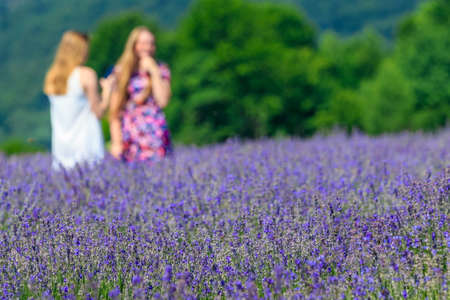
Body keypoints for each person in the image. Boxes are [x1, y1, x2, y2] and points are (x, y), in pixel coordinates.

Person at [44, 31, 113, 169]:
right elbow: (98, 112)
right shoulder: (86, 75)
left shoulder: (52, 77)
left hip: (61, 149)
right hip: (86, 145)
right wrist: (107, 91)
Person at [107, 26, 172, 163]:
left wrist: (154, 71)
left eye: (151, 43)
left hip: (155, 134)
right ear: (134, 45)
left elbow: (163, 101)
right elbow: (114, 111)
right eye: (143, 43)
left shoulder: (161, 69)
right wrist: (116, 142)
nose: (148, 47)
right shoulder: (121, 71)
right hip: (130, 135)